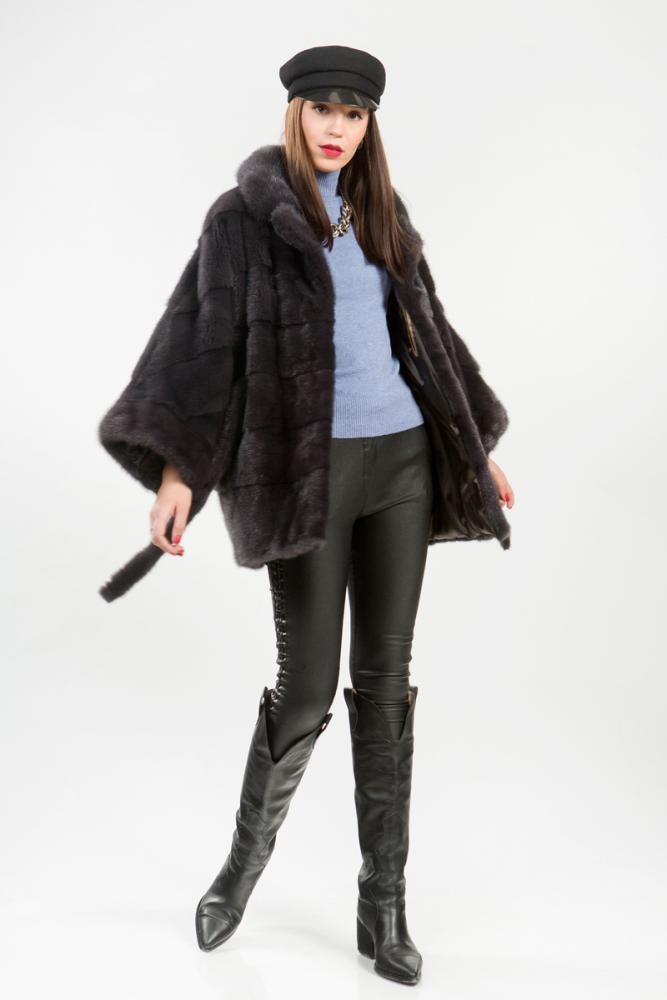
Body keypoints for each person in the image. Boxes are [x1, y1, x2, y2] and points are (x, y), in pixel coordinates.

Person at [97, 44, 515, 986]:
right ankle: (239, 875)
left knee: (386, 681)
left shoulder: (381, 211)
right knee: (306, 687)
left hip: (402, 463)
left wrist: (471, 444)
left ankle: (383, 907)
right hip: (305, 474)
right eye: (322, 108)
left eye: (353, 113)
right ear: (294, 112)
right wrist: (177, 474)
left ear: (370, 125)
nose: (336, 127)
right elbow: (198, 347)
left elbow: (428, 334)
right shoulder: (244, 219)